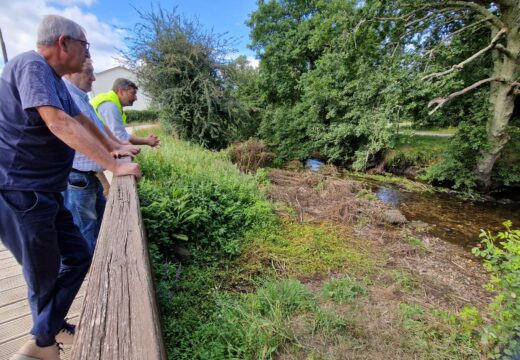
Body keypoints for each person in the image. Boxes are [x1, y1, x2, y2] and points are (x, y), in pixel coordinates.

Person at [0, 15, 141, 360]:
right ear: (63, 43)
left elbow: (80, 119)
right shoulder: (31, 65)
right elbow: (59, 121)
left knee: (78, 256)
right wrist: (114, 165)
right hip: (20, 191)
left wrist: (114, 147)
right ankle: (41, 345)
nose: (87, 54)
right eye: (85, 46)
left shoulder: (56, 81)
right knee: (42, 274)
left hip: (46, 191)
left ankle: (44, 334)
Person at [63, 59, 136, 252]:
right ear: (70, 72)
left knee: (102, 223)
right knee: (86, 231)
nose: (93, 78)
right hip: (77, 178)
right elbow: (77, 137)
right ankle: (93, 273)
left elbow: (98, 127)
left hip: (89, 176)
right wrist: (116, 165)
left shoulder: (81, 98)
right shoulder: (68, 96)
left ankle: (103, 260)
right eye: (88, 72)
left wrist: (118, 145)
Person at [90, 78, 160, 147]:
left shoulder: (111, 102)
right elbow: (120, 137)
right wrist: (146, 141)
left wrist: (146, 140)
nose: (135, 98)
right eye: (132, 93)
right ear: (121, 92)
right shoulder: (110, 106)